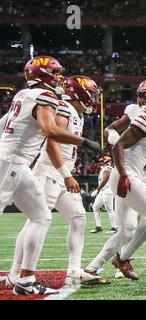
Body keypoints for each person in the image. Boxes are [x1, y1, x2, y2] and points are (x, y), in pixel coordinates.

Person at [0, 56, 102, 295]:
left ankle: (25, 280)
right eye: (55, 74)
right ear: (44, 75)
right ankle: (18, 275)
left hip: (17, 162)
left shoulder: (22, 95)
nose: (59, 79)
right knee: (38, 217)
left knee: (43, 217)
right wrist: (85, 142)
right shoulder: (47, 98)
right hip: (12, 162)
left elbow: (4, 123)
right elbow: (49, 132)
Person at [86, 93, 146, 281]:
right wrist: (123, 176)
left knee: (126, 230)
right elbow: (118, 146)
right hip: (126, 175)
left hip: (131, 174)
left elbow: (144, 166)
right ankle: (123, 259)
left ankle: (91, 268)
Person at [30, 75, 102, 286]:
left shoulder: (76, 113)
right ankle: (20, 273)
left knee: (78, 217)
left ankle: (74, 269)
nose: (95, 98)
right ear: (81, 93)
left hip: (60, 175)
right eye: (92, 94)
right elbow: (52, 143)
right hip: (50, 173)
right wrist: (66, 175)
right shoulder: (65, 108)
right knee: (38, 221)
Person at [90, 156, 118, 234]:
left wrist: (97, 190)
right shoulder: (105, 169)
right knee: (95, 207)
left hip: (107, 191)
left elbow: (105, 179)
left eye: (102, 161)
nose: (100, 163)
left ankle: (114, 227)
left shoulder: (108, 168)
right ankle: (98, 227)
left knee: (109, 209)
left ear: (106, 162)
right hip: (103, 191)